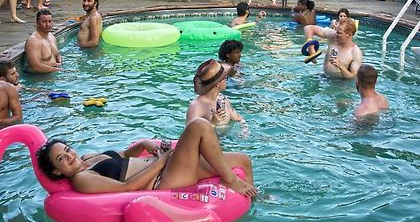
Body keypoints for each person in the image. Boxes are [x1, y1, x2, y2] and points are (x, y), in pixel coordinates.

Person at [36, 118, 257, 197]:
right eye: (61, 159)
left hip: (168, 165)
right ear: (56, 171)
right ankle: (230, 179)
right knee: (199, 125)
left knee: (243, 160)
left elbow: (124, 155)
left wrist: (142, 144)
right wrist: (162, 161)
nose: (69, 155)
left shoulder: (88, 157)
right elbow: (126, 188)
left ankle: (254, 199)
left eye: (67, 149)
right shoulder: (81, 179)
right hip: (163, 179)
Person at [186, 59, 246, 129]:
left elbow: (240, 119)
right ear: (218, 83)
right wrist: (212, 124)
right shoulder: (196, 106)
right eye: (225, 78)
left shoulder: (222, 99)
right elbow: (190, 133)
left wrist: (244, 130)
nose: (226, 81)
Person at [24, 9, 62, 73]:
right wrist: (58, 70)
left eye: (50, 21)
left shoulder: (51, 37)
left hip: (54, 74)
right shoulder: (33, 41)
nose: (47, 24)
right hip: (41, 78)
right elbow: (35, 67)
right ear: (37, 23)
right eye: (44, 22)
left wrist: (60, 63)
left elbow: (57, 54)